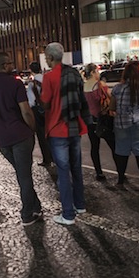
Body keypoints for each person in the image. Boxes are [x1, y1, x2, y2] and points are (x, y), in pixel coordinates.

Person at [0, 52, 42, 226]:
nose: (12, 66)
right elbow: (26, 111)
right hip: (21, 136)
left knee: (22, 174)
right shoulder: (15, 84)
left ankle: (36, 205)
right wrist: (32, 129)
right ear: (5, 65)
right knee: (24, 176)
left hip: (3, 140)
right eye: (11, 63)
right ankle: (27, 214)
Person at [40, 42, 91, 226]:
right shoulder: (74, 73)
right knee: (76, 167)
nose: (46, 60)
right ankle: (80, 204)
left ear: (51, 58)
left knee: (63, 172)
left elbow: (45, 104)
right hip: (75, 127)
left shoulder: (50, 77)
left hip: (57, 129)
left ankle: (68, 214)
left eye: (46, 57)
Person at [110, 61, 139, 189]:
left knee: (122, 152)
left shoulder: (117, 88)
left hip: (122, 124)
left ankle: (121, 181)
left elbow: (112, 107)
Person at [83, 63, 117, 181]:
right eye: (96, 71)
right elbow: (112, 98)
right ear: (92, 72)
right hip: (103, 119)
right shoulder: (100, 85)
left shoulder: (83, 86)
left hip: (90, 120)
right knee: (113, 145)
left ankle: (99, 172)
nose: (98, 73)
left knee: (94, 147)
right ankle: (120, 172)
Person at [26, 61, 53, 167]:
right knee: (51, 134)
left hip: (38, 111)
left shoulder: (32, 84)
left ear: (31, 70)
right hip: (49, 109)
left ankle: (47, 159)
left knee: (42, 136)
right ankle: (55, 157)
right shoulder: (47, 79)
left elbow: (31, 101)